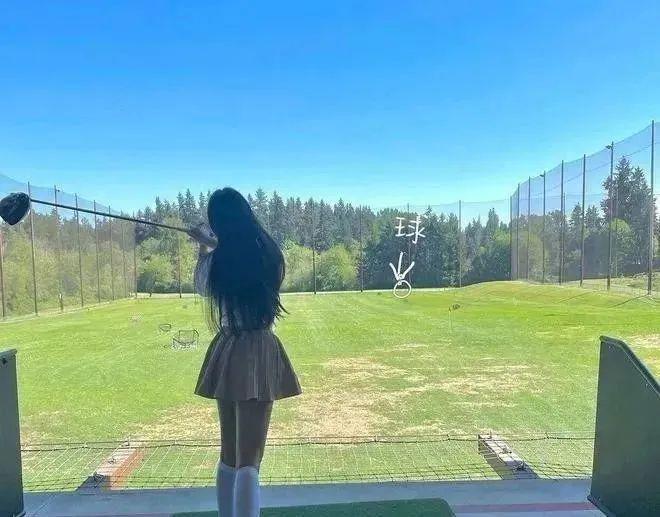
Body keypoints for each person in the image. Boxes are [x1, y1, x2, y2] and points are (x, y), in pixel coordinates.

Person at [187, 188, 301, 517]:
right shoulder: (269, 255)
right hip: (258, 348)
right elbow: (264, 271)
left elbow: (202, 286)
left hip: (228, 347)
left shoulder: (216, 261)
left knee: (230, 455)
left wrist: (206, 247)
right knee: (250, 461)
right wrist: (215, 246)